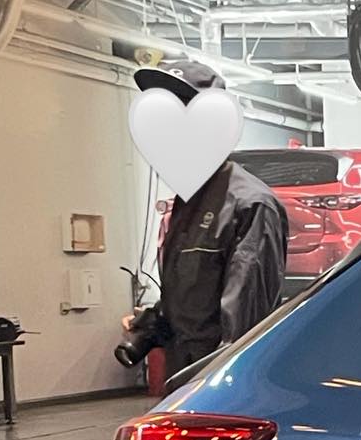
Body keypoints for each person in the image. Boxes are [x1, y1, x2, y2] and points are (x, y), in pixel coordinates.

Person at [123, 59, 288, 380]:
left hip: (218, 385)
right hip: (183, 379)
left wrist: (218, 391)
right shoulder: (186, 204)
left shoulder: (250, 205)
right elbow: (191, 302)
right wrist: (154, 322)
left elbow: (244, 328)